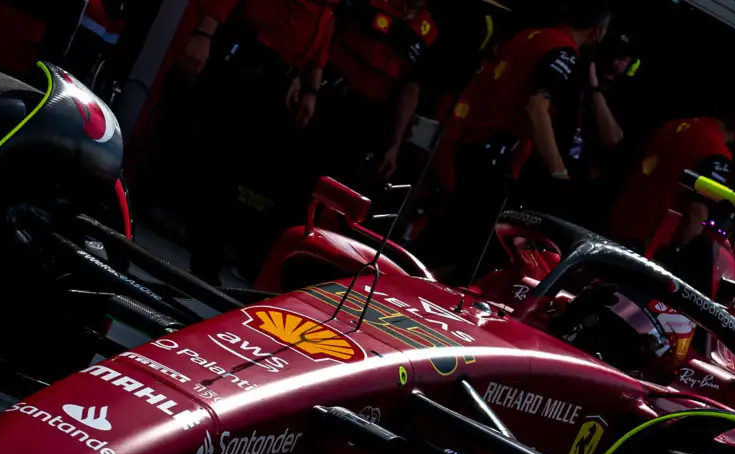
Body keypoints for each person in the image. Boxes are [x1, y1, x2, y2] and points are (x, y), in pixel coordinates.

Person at [412, 1, 617, 282]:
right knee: (469, 255)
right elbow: (536, 107)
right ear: (597, 32)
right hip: (492, 161)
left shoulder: (528, 37)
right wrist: (559, 173)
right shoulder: (564, 52)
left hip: (469, 147)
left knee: (445, 239)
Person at [178, 0, 342, 283]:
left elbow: (324, 25)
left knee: (246, 170)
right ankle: (205, 258)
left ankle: (213, 250)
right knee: (225, 158)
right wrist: (205, 33)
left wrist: (311, 88)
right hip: (252, 60)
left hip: (283, 77)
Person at [315, 0, 441, 189]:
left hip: (369, 119)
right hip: (329, 95)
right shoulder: (373, 2)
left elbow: (410, 90)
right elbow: (330, 27)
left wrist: (394, 145)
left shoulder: (428, 32)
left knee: (337, 186)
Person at [600, 106, 735, 255]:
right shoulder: (717, 151)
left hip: (614, 227)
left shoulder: (674, 125)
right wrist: (680, 254)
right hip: (647, 247)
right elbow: (697, 213)